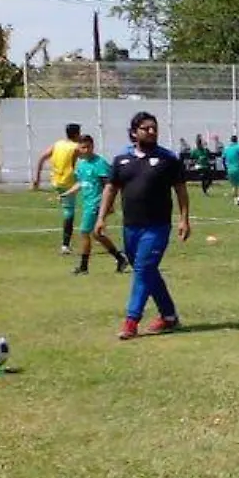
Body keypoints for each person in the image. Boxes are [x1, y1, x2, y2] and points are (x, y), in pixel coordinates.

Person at [95, 111, 192, 340]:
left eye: (154, 128)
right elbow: (111, 188)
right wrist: (101, 217)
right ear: (133, 133)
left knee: (142, 269)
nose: (152, 131)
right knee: (148, 271)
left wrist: (184, 219)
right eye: (146, 128)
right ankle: (169, 316)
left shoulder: (168, 159)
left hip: (157, 226)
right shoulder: (122, 160)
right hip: (131, 227)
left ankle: (131, 321)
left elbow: (180, 189)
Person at [63, 133, 127, 275]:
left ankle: (83, 267)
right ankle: (120, 258)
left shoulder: (100, 163)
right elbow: (81, 183)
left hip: (96, 203)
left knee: (84, 232)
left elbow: (108, 185)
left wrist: (109, 205)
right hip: (87, 203)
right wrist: (68, 193)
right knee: (97, 234)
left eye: (87, 147)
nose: (85, 150)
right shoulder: (81, 165)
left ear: (92, 146)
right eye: (82, 147)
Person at [32, 124, 83, 254]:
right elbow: (87, 160)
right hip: (68, 182)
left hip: (57, 181)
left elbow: (41, 158)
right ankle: (65, 245)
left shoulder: (57, 144)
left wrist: (37, 179)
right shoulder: (76, 147)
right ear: (77, 134)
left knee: (71, 207)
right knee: (70, 212)